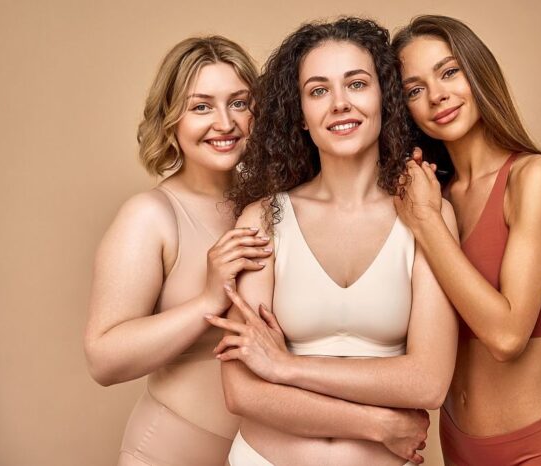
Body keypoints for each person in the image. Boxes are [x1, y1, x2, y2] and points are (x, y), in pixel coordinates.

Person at [204, 17, 458, 466]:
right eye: (319, 91)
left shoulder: (426, 212)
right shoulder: (263, 218)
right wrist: (377, 424)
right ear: (300, 115)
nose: (340, 104)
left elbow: (428, 382)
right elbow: (241, 391)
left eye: (356, 84)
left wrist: (286, 367)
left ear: (385, 98)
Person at [390, 15, 541, 466]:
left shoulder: (534, 177)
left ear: (478, 71)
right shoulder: (431, 194)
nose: (437, 95)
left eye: (449, 72)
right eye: (414, 89)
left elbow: (506, 336)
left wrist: (426, 222)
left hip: (536, 449)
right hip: (457, 448)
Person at [83, 36, 270, 465]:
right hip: (168, 452)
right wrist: (208, 299)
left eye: (239, 103)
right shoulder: (150, 216)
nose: (224, 123)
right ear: (171, 120)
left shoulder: (270, 206)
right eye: (201, 106)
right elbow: (103, 359)